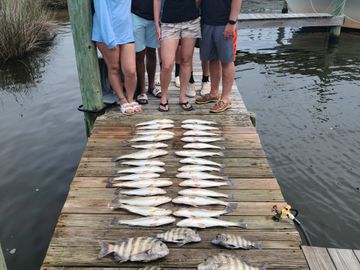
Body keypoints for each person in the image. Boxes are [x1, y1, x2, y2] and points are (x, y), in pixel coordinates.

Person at [92, 0, 141, 115]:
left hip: (126, 32)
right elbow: (101, 12)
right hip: (106, 33)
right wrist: (109, 39)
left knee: (131, 71)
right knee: (114, 68)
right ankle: (122, 99)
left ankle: (130, 98)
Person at [154, 0, 201, 112]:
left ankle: (182, 97)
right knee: (167, 64)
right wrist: (156, 24)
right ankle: (164, 97)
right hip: (169, 22)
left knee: (186, 60)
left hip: (191, 20)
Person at [196, 0, 242, 113]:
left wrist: (232, 22)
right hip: (206, 22)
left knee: (227, 60)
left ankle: (225, 99)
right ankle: (214, 93)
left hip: (225, 23)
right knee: (212, 59)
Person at [131, 0, 161, 104]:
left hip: (154, 17)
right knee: (139, 54)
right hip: (136, 15)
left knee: (152, 52)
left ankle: (152, 86)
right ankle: (142, 89)